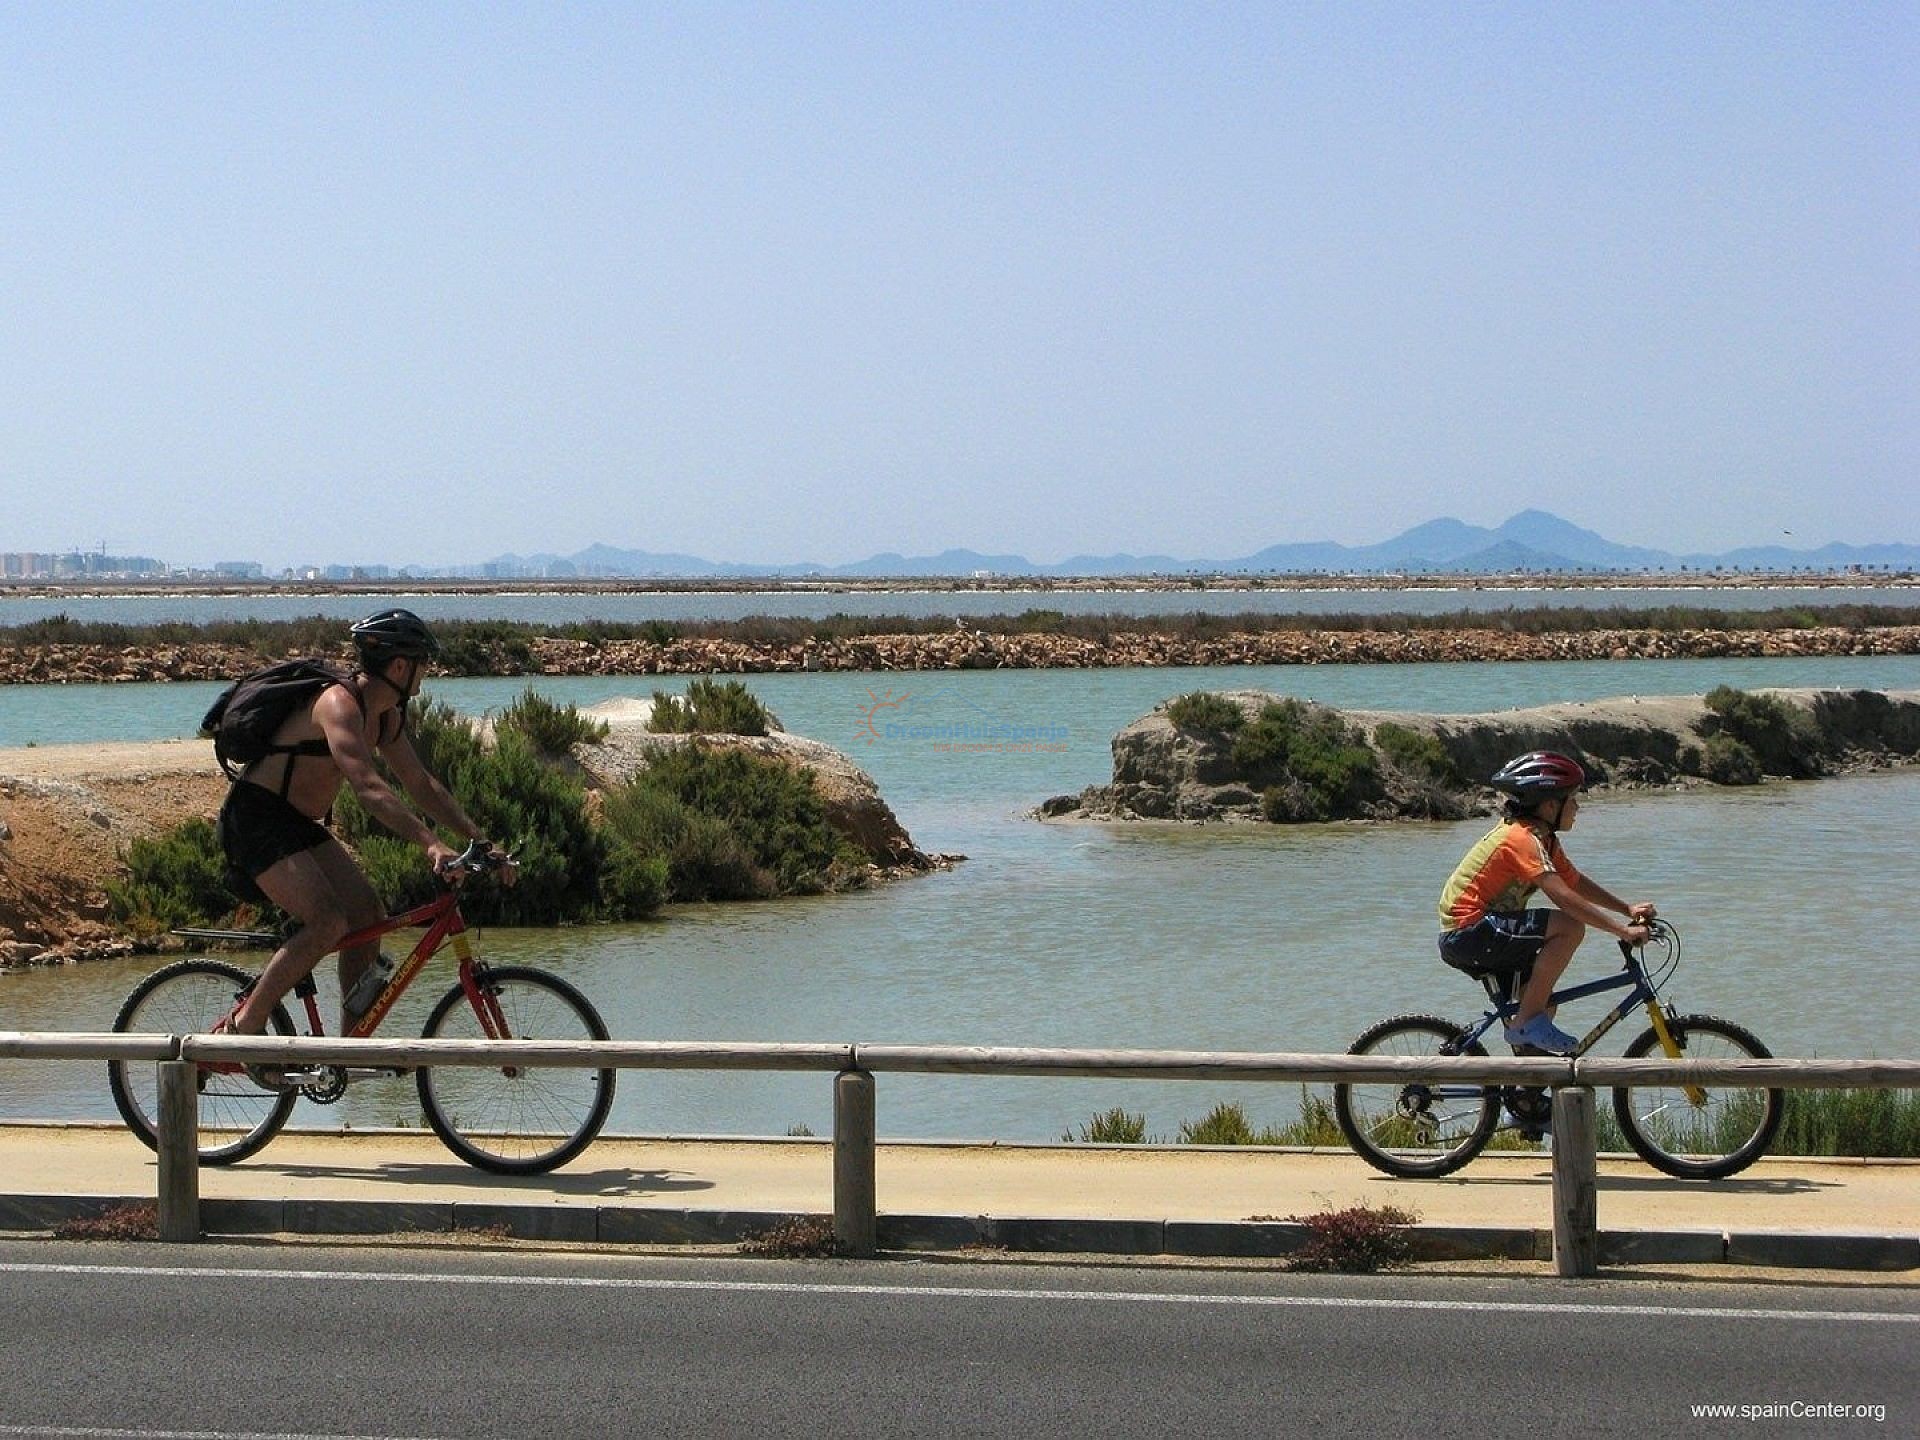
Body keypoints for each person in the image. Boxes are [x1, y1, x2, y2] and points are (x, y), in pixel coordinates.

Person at [215, 608, 511, 1073]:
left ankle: (348, 1047)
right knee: (328, 920)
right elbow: (369, 788)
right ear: (399, 667)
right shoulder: (338, 705)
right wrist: (431, 845)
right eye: (422, 664)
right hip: (255, 819)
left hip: (297, 824)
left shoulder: (386, 716)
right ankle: (242, 1033)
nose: (426, 674)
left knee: (368, 914)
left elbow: (420, 783)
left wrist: (481, 841)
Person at [1436, 750, 1654, 1055]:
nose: (1577, 807)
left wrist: (1626, 909)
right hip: (1470, 931)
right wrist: (1621, 930)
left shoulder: (1543, 839)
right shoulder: (1521, 839)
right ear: (1551, 804)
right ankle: (1525, 1024)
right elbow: (1562, 896)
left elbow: (1574, 882)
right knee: (1569, 928)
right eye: (1573, 799)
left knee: (1543, 1004)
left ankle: (1527, 1091)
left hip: (1480, 932)